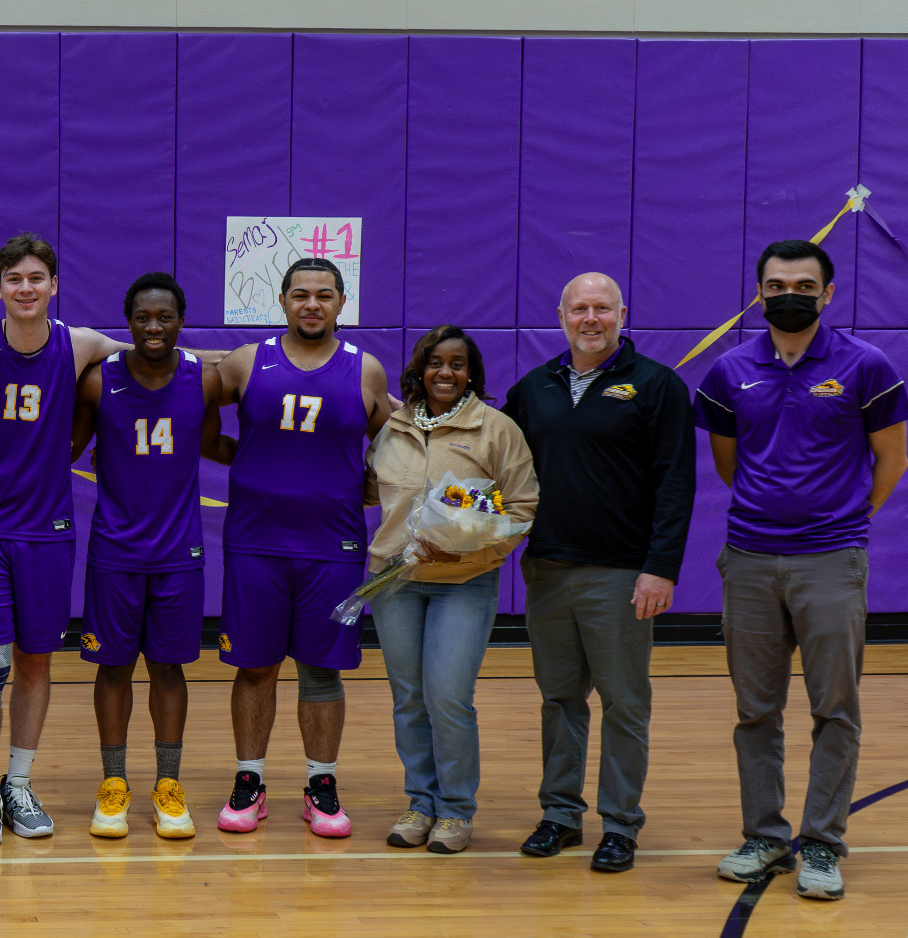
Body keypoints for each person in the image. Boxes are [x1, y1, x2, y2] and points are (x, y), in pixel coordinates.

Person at [696, 240, 907, 901]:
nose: (792, 292)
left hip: (832, 560)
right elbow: (730, 465)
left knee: (834, 708)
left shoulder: (866, 366)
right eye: (778, 283)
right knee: (755, 709)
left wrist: (841, 524)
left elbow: (891, 461)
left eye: (805, 284)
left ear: (828, 293)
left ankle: (821, 842)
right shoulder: (729, 370)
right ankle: (765, 836)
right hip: (751, 558)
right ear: (759, 292)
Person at [0, 233, 130, 845]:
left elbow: (166, 355)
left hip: (49, 529)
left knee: (35, 660)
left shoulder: (80, 345)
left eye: (37, 278)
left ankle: (20, 781)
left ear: (54, 286)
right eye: (14, 278)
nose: (25, 288)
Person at [504, 272, 693, 874]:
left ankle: (619, 826)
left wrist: (659, 569)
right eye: (579, 308)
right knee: (559, 700)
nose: (591, 318)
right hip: (548, 570)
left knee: (624, 702)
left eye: (602, 308)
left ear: (621, 314)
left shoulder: (657, 386)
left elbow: (675, 485)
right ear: (559, 315)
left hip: (621, 575)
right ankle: (559, 814)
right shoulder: (533, 388)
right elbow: (488, 454)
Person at [202, 258, 392, 840]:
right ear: (282, 301)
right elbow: (193, 418)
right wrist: (251, 462)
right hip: (255, 543)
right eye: (301, 294)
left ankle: (321, 784)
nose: (313, 304)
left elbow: (398, 447)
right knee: (255, 665)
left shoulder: (367, 370)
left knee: (323, 667)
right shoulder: (245, 362)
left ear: (341, 304)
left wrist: (361, 487)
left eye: (325, 295)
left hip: (334, 548)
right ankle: (250, 780)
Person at [366, 326, 537, 855]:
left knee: (447, 697)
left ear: (471, 372)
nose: (446, 372)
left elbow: (523, 508)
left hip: (463, 582)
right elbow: (371, 492)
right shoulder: (391, 427)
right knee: (409, 699)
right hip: (395, 581)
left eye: (458, 363)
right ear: (418, 369)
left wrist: (467, 550)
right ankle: (420, 802)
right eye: (435, 362)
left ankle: (456, 812)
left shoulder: (495, 428)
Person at [70, 273, 218, 839]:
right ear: (127, 322)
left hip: (179, 550)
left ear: (182, 321)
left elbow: (214, 447)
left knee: (168, 666)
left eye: (165, 318)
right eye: (143, 318)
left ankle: (168, 786)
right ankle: (113, 786)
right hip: (115, 550)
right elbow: (66, 449)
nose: (154, 327)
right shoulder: (97, 382)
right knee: (113, 666)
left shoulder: (202, 381)